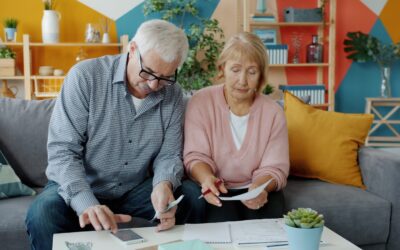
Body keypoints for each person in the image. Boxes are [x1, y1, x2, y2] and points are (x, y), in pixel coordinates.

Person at [25, 19, 201, 250]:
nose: (154, 84)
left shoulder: (172, 94)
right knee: (42, 214)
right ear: (133, 49)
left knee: (190, 196)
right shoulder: (85, 77)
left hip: (134, 189)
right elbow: (63, 153)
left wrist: (163, 185)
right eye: (148, 72)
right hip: (83, 184)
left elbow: (169, 154)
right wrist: (87, 204)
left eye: (165, 77)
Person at [183, 32, 289, 222]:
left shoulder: (273, 112)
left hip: (258, 187)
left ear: (261, 76)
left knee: (267, 231)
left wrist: (260, 188)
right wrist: (207, 179)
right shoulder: (200, 102)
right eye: (235, 69)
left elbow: (275, 168)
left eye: (251, 72)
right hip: (217, 188)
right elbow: (195, 156)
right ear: (222, 68)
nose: (242, 80)